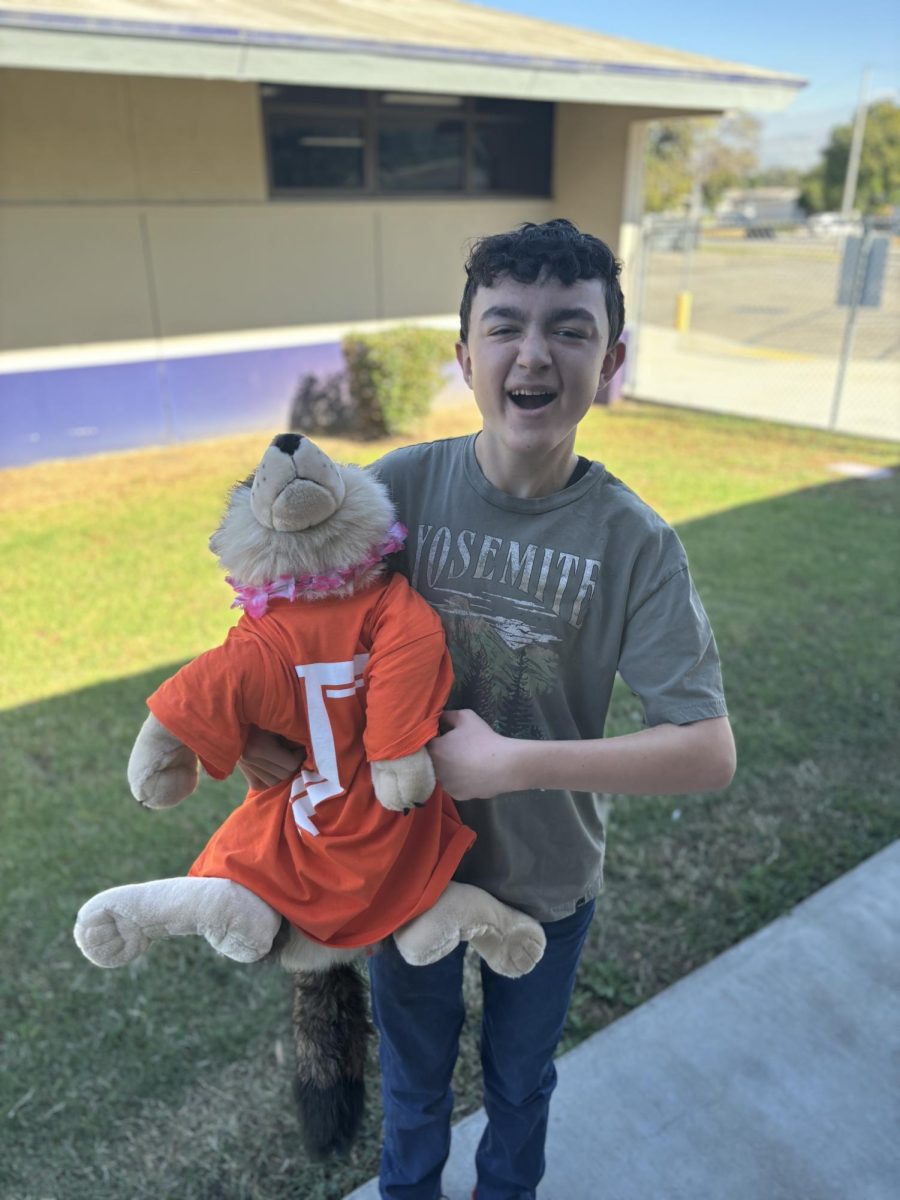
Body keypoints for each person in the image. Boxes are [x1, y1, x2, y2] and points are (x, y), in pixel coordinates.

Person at [242, 219, 735, 1200]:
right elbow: (296, 633)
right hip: (404, 872)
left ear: (614, 359)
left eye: (571, 329)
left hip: (547, 883)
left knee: (520, 1087)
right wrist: (262, 730)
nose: (535, 353)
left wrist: (513, 762)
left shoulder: (636, 542)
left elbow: (706, 752)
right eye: (505, 327)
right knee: (417, 1085)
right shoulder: (396, 493)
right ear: (466, 356)